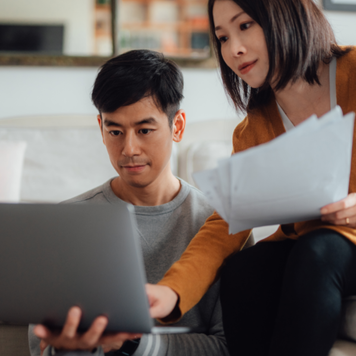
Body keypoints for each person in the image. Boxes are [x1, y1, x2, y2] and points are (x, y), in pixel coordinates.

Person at [145, 1, 356, 355]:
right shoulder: (254, 128)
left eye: (244, 26)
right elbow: (228, 221)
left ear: (286, 15)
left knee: (318, 251)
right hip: (314, 247)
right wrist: (172, 291)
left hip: (328, 250)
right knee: (245, 269)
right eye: (222, 37)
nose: (233, 50)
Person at [28, 49, 235, 356]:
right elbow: (40, 346)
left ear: (176, 126)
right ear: (100, 128)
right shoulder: (67, 221)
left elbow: (229, 346)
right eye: (115, 131)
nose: (129, 148)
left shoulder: (221, 223)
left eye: (144, 130)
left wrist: (132, 344)